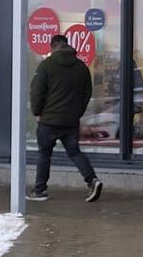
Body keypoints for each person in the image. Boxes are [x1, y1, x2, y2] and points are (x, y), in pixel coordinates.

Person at [27, 34, 103, 202]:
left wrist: (37, 112)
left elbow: (37, 91)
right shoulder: (81, 67)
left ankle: (40, 190)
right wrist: (77, 112)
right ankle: (92, 180)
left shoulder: (46, 65)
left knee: (44, 154)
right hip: (71, 121)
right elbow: (86, 94)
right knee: (75, 152)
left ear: (52, 46)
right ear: (67, 46)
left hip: (49, 120)